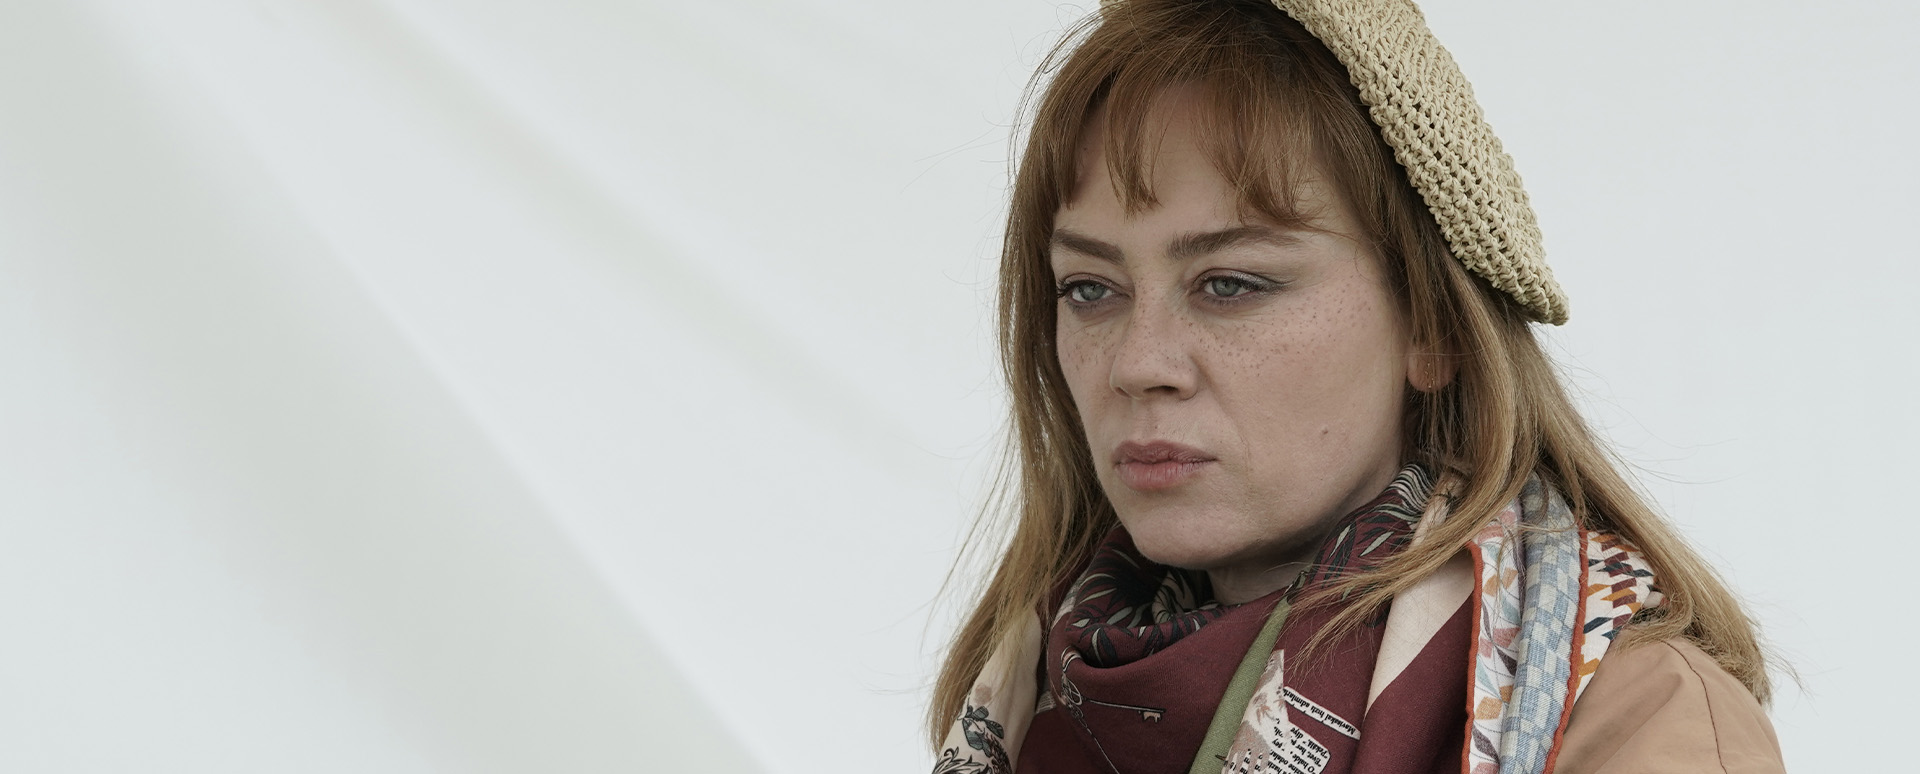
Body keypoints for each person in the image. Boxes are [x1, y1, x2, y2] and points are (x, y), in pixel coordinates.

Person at [928, 1, 1787, 772]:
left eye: (1231, 283)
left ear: (1434, 328)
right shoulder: (1026, 696)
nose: (1136, 363)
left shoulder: (1641, 728)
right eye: (1090, 289)